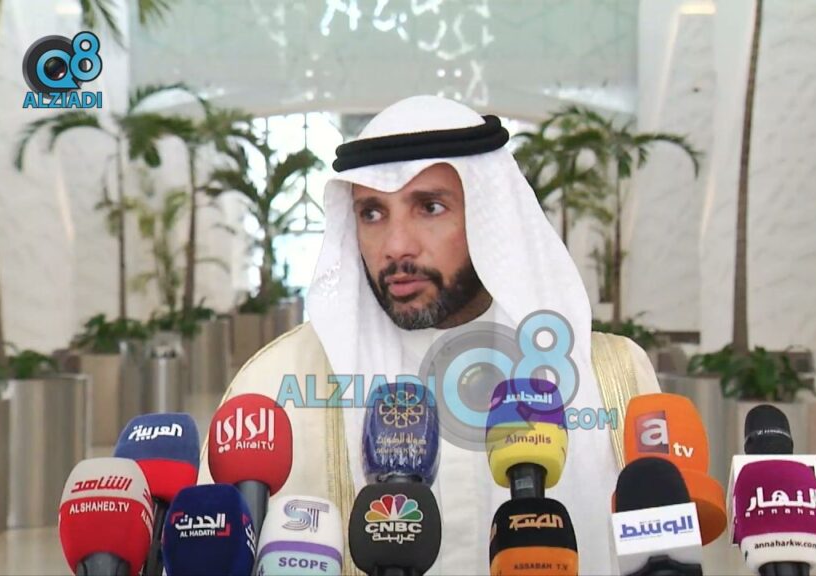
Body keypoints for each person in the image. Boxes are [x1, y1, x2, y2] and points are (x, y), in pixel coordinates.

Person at [199, 95, 661, 575]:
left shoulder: (615, 378)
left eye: (430, 207)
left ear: (490, 216)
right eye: (372, 213)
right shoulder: (275, 386)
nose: (396, 246)